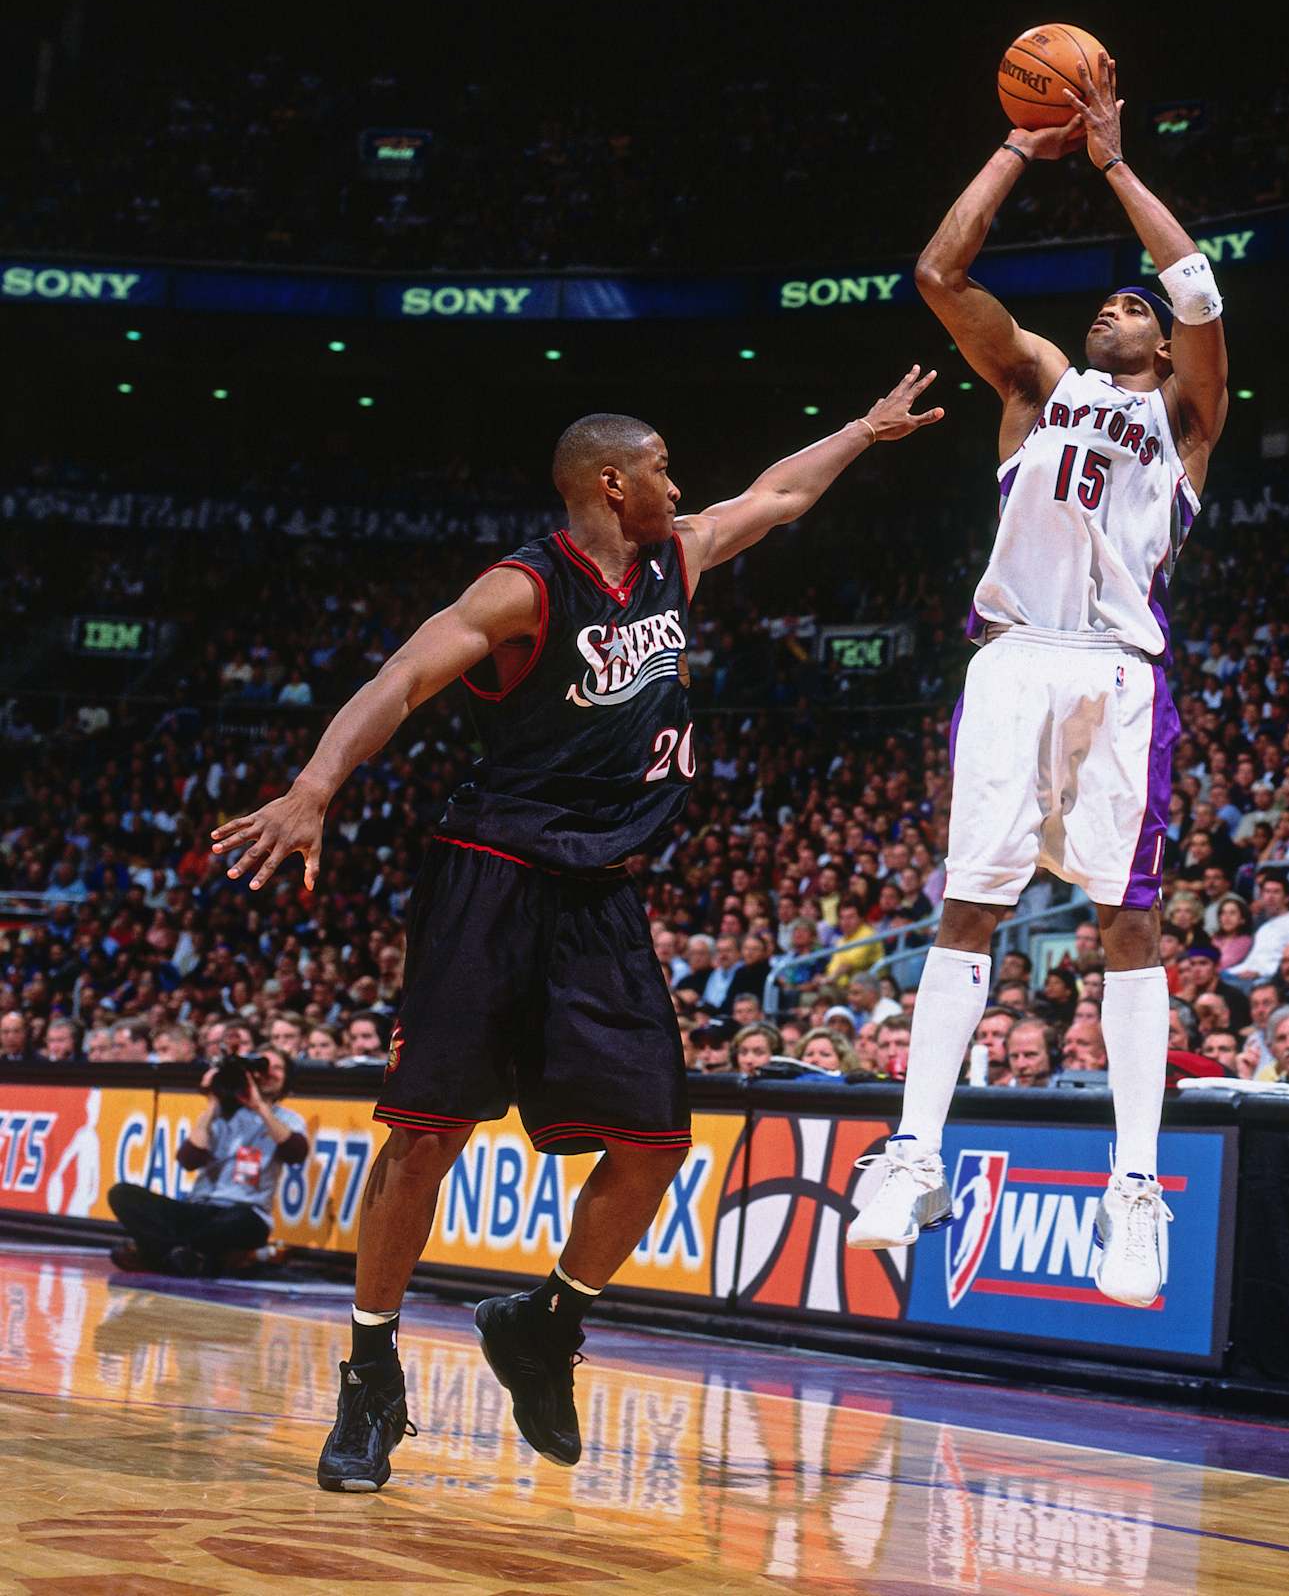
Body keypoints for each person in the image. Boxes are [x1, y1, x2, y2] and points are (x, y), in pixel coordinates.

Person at [210, 372, 943, 1493]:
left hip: (601, 891)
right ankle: (369, 1373)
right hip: (492, 875)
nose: (677, 487)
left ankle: (545, 1322)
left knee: (654, 1144)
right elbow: (402, 677)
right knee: (425, 1137)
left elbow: (777, 497)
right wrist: (315, 787)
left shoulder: (673, 559)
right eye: (661, 469)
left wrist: (860, 430)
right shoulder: (523, 588)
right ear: (610, 481)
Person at [849, 50, 1230, 1311]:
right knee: (970, 903)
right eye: (1106, 303)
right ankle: (916, 1152)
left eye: (1133, 305)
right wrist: (1022, 144)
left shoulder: (1186, 420)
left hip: (1120, 672)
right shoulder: (1037, 386)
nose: (1117, 306)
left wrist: (1112, 161)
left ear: (1160, 342)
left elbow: (1197, 284)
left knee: (1129, 921)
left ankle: (1135, 1186)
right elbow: (939, 276)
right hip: (1014, 659)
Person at [108, 1049, 308, 1277]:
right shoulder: (220, 1114)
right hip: (199, 1208)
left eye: (277, 1068)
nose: (268, 1073)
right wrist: (212, 1102)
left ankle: (156, 1254)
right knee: (122, 1194)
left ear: (287, 1079)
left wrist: (260, 1107)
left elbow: (296, 1153)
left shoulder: (288, 1119)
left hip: (244, 1212)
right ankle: (188, 1257)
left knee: (240, 1222)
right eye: (262, 1067)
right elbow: (189, 1160)